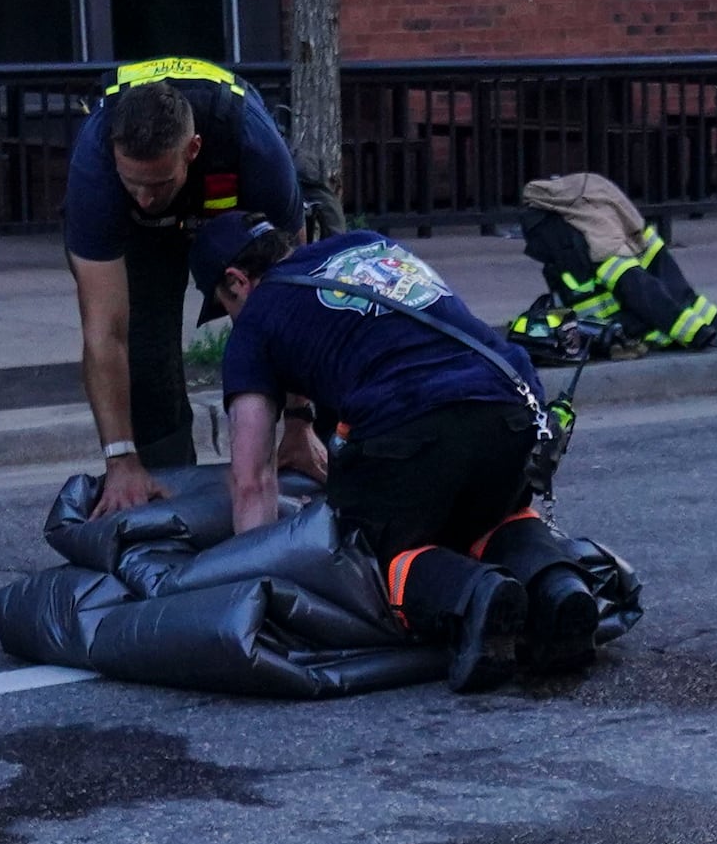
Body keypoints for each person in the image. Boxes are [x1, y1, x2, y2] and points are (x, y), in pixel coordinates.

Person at [205, 226, 599, 688]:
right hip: (511, 403)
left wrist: (250, 589)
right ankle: (557, 589)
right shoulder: (366, 243)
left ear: (237, 282)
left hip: (410, 420)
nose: (233, 319)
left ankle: (474, 598)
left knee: (363, 550)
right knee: (490, 518)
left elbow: (252, 480)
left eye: (226, 307)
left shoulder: (254, 324)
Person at [69, 58, 309, 514]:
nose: (144, 196)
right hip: (139, 237)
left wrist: (301, 420)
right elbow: (104, 333)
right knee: (145, 350)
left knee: (278, 313)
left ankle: (306, 472)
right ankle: (165, 500)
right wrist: (120, 459)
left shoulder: (256, 147)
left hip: (234, 203)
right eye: (132, 182)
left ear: (192, 149)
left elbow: (300, 302)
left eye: (157, 183)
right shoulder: (96, 168)